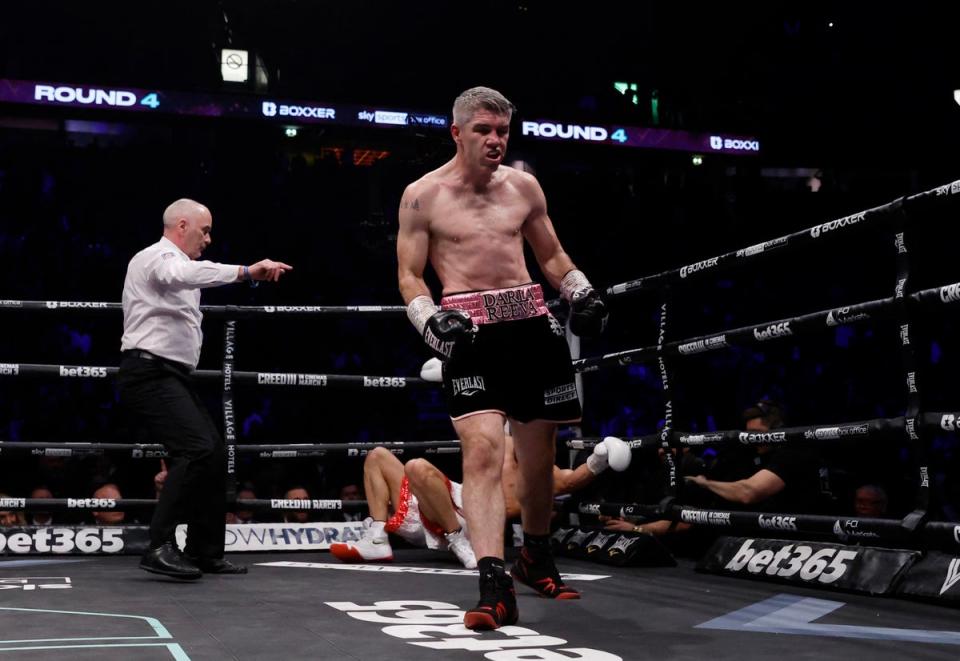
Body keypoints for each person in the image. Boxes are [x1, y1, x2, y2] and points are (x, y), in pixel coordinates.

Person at [397, 93, 609, 627]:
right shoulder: (423, 196)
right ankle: (493, 585)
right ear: (457, 133)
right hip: (470, 333)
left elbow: (552, 257)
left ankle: (535, 555)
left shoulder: (524, 187)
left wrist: (581, 293)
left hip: (534, 328)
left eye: (503, 131)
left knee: (538, 464)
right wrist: (429, 321)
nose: (496, 141)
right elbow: (409, 275)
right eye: (484, 130)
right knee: (484, 452)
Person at [119, 198, 292, 579]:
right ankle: (159, 545)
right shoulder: (155, 259)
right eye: (205, 230)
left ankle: (205, 550)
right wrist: (246, 272)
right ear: (182, 226)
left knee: (212, 453)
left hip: (172, 375)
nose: (209, 239)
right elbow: (184, 275)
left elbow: (191, 275)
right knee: (196, 449)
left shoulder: (180, 265)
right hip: (148, 372)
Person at [329, 433, 630, 570]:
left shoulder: (537, 471)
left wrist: (601, 457)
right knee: (377, 455)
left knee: (416, 467)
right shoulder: (497, 440)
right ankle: (378, 539)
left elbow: (573, 479)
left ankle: (456, 539)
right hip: (442, 502)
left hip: (469, 522)